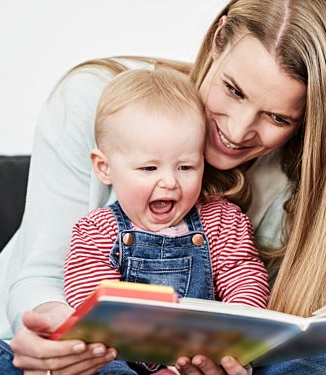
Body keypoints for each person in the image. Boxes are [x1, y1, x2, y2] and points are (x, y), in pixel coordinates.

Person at [0, 0, 326, 375]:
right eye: (233, 89)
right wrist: (53, 328)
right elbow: (45, 271)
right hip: (47, 365)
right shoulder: (102, 101)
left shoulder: (295, 184)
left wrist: (239, 361)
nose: (238, 130)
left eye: (278, 117)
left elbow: (252, 303)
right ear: (219, 39)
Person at [64, 68, 269, 313]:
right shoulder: (97, 232)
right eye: (149, 168)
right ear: (104, 167)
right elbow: (91, 303)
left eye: (185, 166)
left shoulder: (222, 223)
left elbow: (245, 280)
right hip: (126, 345)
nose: (170, 182)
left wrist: (239, 327)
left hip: (201, 345)